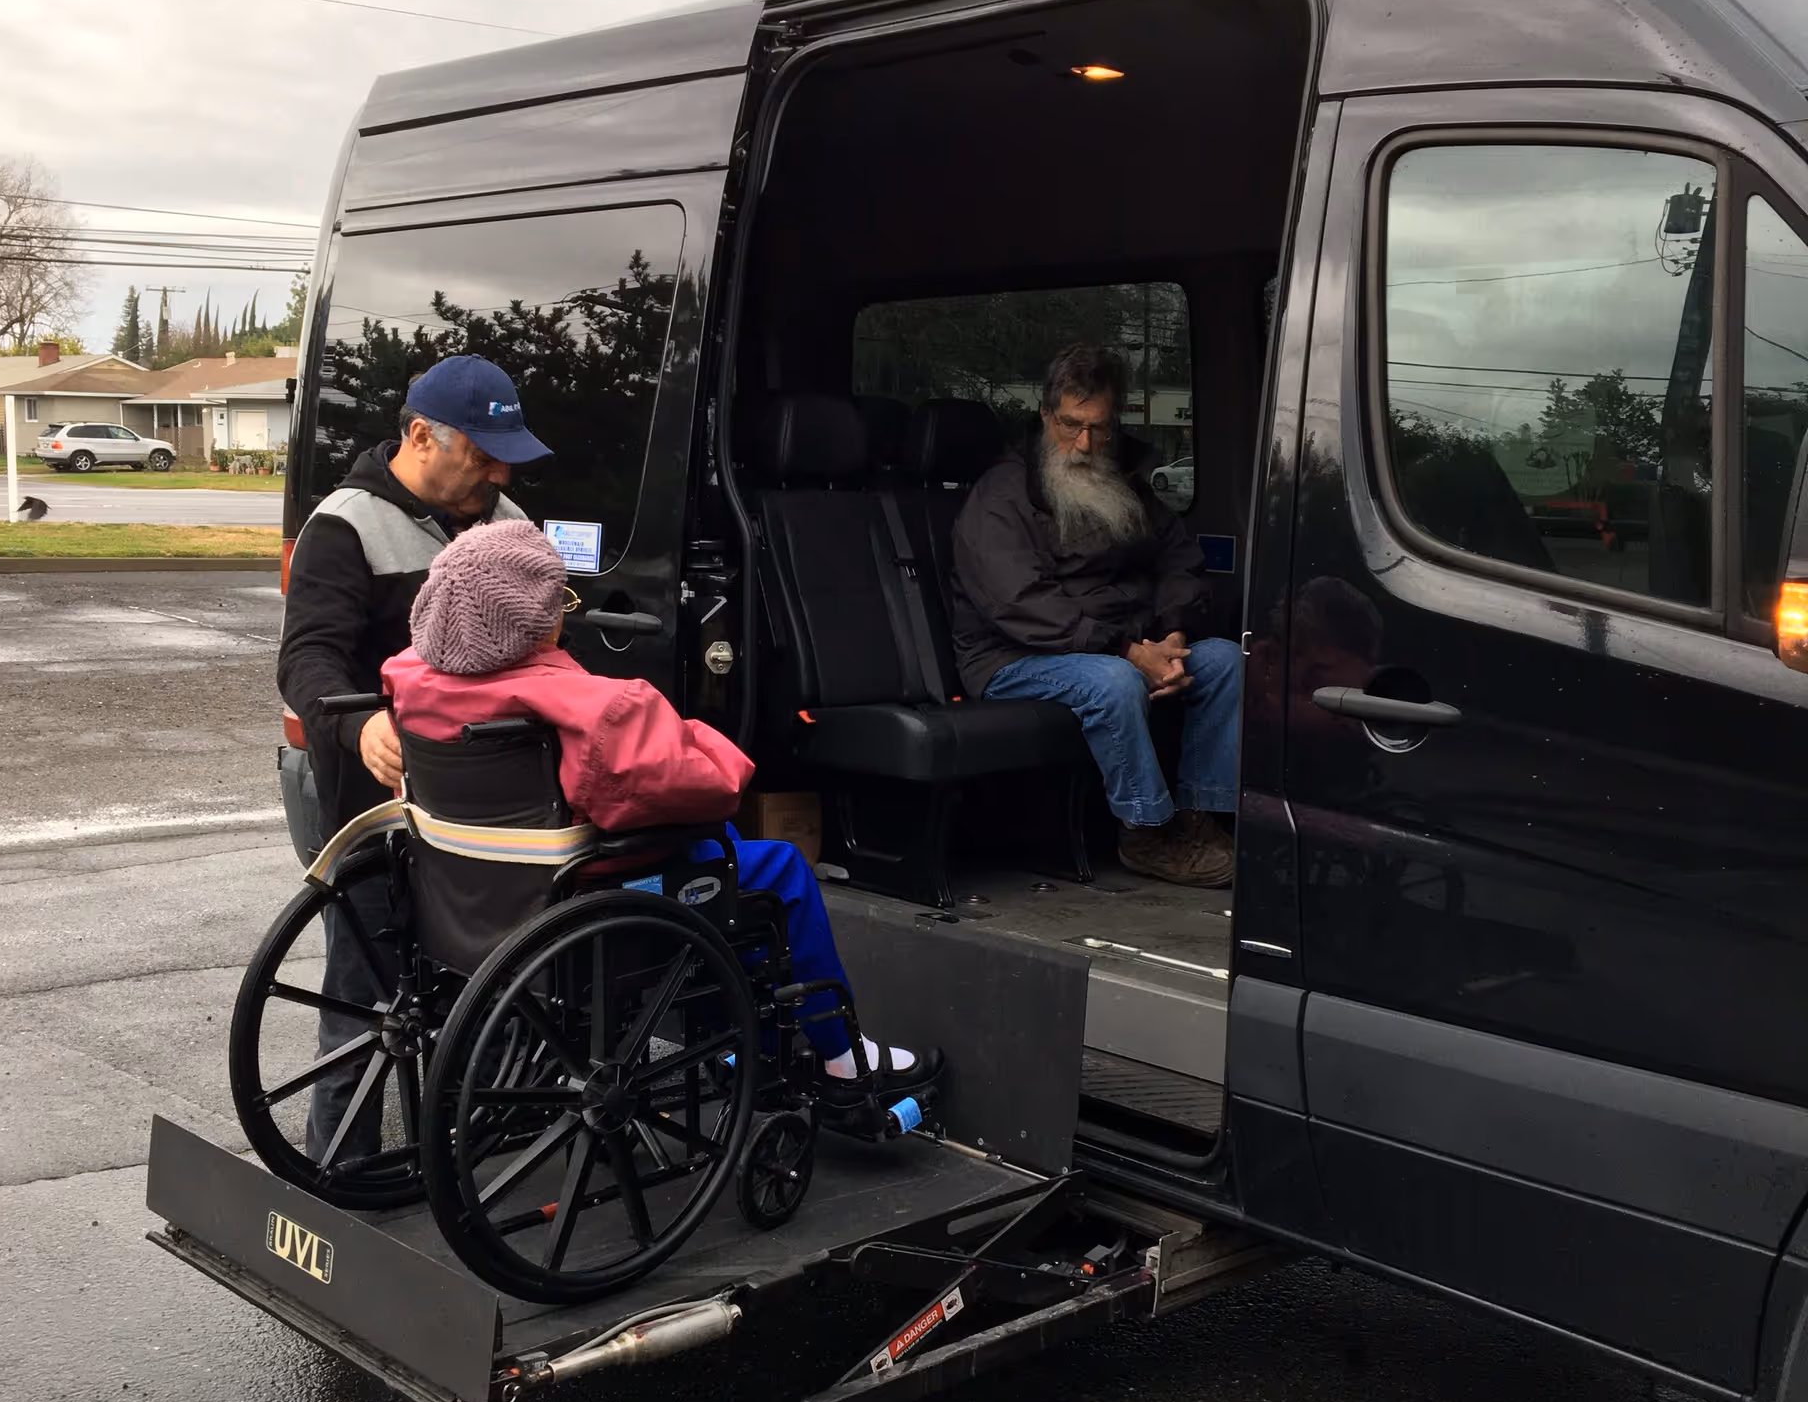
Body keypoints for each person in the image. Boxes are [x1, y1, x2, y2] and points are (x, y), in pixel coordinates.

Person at [382, 518, 938, 1109]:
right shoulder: (596, 708)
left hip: (466, 888)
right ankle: (840, 1054)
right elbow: (713, 785)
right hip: (578, 897)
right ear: (541, 623)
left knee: (717, 844)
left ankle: (738, 1037)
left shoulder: (409, 680)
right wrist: (689, 734)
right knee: (772, 867)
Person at [277, 354, 547, 1162]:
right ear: (421, 436)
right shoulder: (346, 525)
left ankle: (482, 1153)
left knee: (487, 982)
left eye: (506, 455)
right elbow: (306, 659)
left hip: (482, 801)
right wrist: (358, 727)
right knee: (364, 993)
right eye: (483, 453)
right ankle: (343, 1165)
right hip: (373, 796)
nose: (498, 471)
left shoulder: (505, 517)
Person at [949, 341, 1243, 887]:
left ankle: (1202, 818)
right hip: (1014, 656)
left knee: (1224, 659)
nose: (1084, 444)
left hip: (1121, 641)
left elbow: (1178, 558)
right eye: (1069, 425)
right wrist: (1132, 653)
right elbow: (1022, 605)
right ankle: (1146, 832)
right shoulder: (1000, 498)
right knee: (1111, 682)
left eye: (1099, 428)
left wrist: (1173, 637)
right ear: (1044, 416)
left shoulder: (1121, 480)